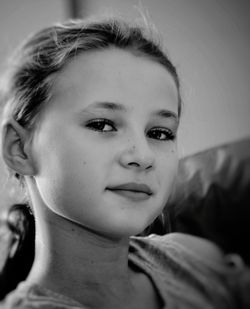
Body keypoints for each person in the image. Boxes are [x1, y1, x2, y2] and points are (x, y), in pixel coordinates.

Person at [0, 15, 248, 309]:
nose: (142, 156)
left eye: (159, 132)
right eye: (103, 125)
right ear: (20, 149)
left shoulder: (197, 262)